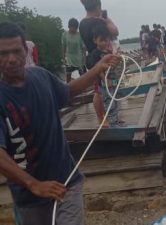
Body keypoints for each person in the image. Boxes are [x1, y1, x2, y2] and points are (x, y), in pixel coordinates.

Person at [0, 22, 120, 225]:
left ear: (26, 50)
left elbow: (67, 91)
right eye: (3, 53)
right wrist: (33, 184)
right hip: (29, 197)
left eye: (16, 51)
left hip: (66, 182)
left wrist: (96, 68)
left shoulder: (41, 76)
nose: (11, 59)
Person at [79, 0, 119, 125]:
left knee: (97, 91)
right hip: (102, 59)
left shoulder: (82, 24)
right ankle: (104, 118)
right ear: (98, 6)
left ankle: (101, 117)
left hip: (92, 60)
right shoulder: (99, 21)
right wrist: (107, 20)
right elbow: (115, 32)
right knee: (102, 91)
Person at [87, 25, 119, 127]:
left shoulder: (109, 52)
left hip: (112, 81)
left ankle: (115, 119)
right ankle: (112, 123)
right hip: (103, 82)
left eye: (106, 40)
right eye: (101, 40)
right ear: (95, 40)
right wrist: (105, 80)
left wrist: (118, 59)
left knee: (115, 100)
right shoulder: (95, 54)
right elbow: (97, 68)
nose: (104, 43)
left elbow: (112, 67)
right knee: (109, 102)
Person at [62, 18, 86, 83]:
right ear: (69, 26)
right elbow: (64, 47)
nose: (74, 29)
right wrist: (63, 58)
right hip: (69, 58)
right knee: (68, 74)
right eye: (72, 27)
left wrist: (84, 58)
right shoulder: (64, 35)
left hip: (79, 58)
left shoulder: (80, 35)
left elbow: (83, 47)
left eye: (75, 28)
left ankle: (83, 88)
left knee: (82, 74)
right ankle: (68, 88)